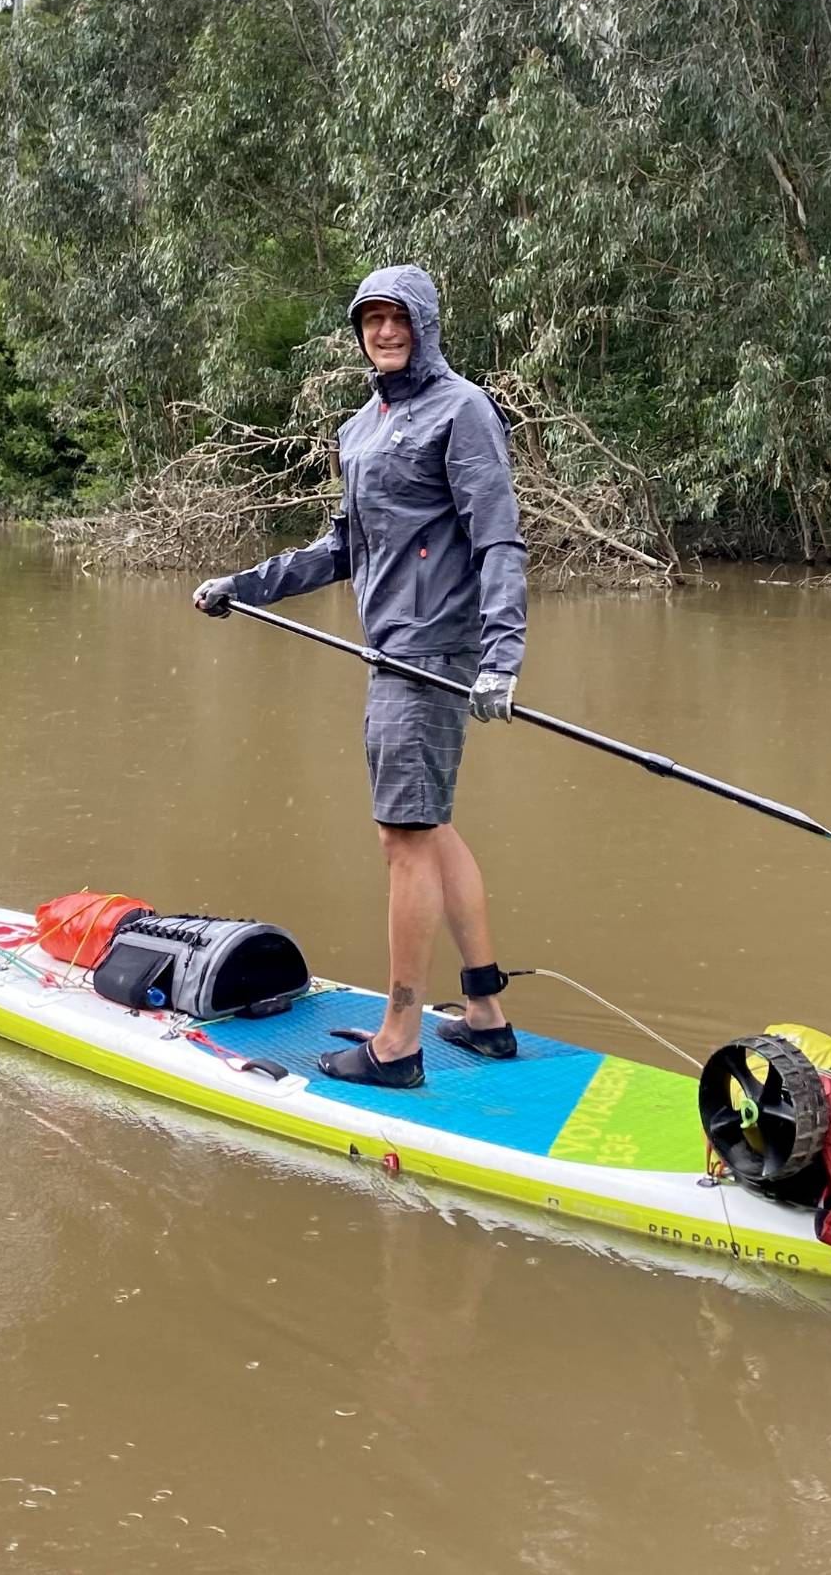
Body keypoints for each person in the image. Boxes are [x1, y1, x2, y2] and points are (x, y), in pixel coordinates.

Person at [192, 264, 526, 1089]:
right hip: (388, 649)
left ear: (425, 324)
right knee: (431, 824)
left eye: (397, 318)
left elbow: (499, 540)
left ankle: (398, 1043)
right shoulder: (361, 427)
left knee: (403, 837)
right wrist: (245, 584)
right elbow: (342, 547)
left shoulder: (462, 410)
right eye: (370, 319)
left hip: (431, 654)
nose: (383, 332)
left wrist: (501, 658)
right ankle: (484, 1015)